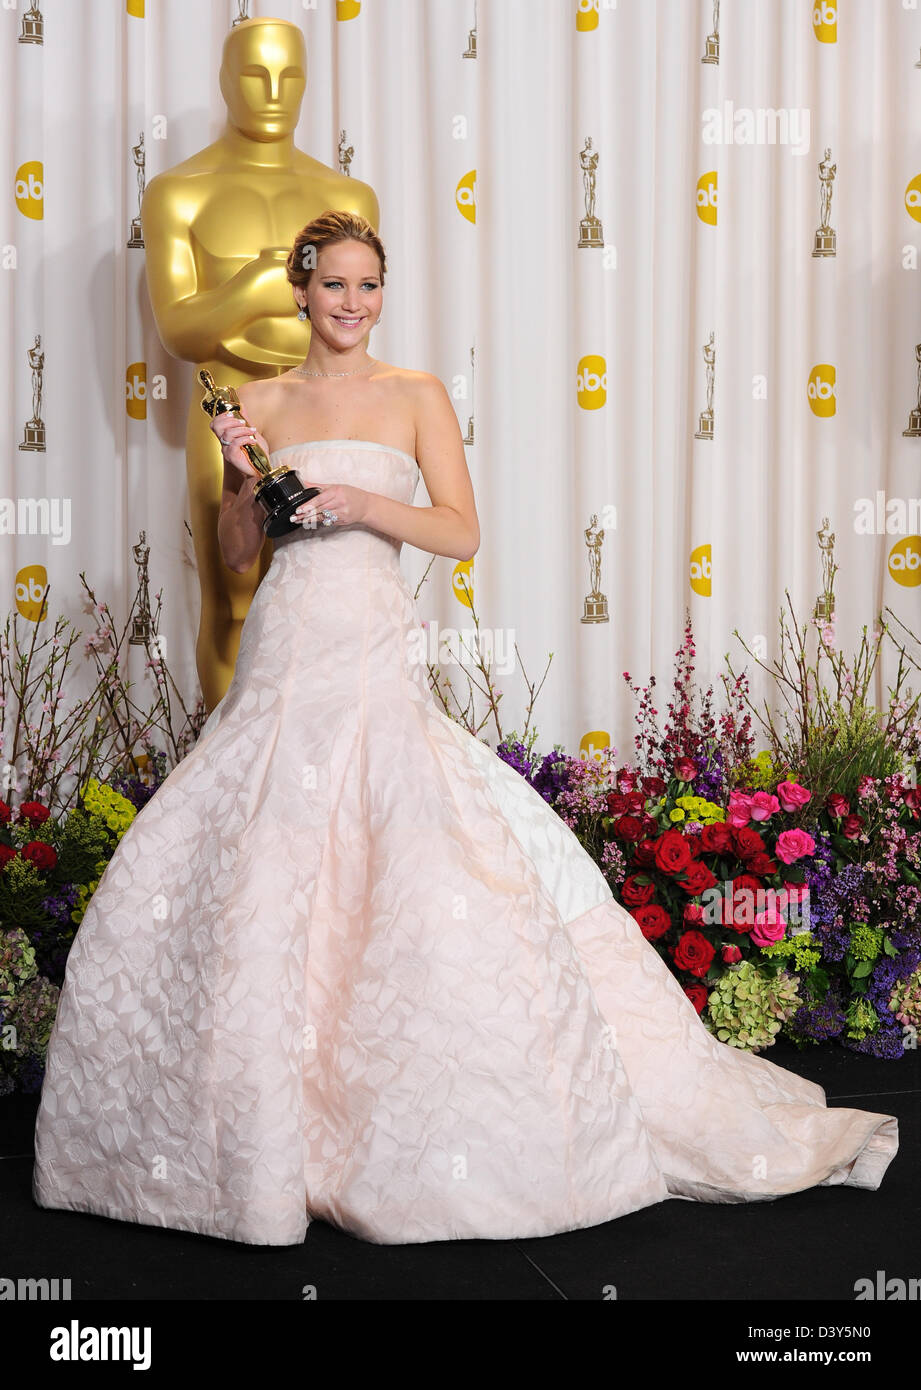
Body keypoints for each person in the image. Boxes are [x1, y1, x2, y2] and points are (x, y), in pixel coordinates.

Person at [32, 212, 898, 1248]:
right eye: (335, 285)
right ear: (300, 291)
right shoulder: (255, 401)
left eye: (369, 285)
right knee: (256, 863)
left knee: (404, 852)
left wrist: (355, 497)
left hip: (368, 641)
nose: (353, 303)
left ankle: (391, 1131)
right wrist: (236, 475)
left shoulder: (414, 395)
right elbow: (231, 557)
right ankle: (255, 1141)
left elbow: (460, 526)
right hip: (282, 648)